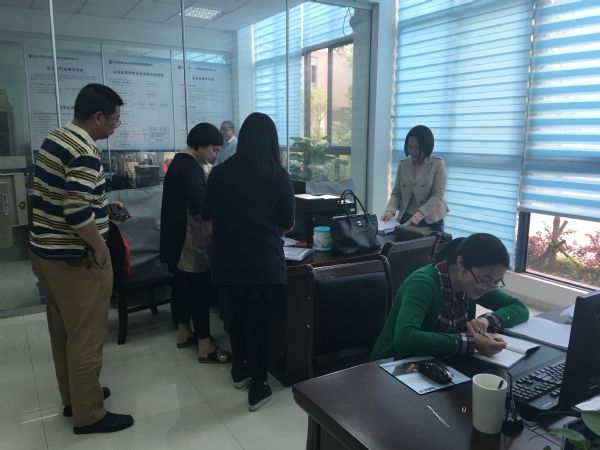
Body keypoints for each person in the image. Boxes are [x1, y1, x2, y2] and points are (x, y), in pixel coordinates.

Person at [29, 83, 134, 434]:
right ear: (98, 117)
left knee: (63, 332)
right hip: (75, 260)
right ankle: (90, 415)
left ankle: (74, 398)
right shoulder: (86, 151)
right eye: (115, 120)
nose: (116, 127)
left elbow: (63, 194)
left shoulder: (56, 138)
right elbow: (75, 211)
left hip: (45, 253)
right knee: (87, 337)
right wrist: (101, 247)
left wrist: (103, 206)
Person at [203, 112, 295, 412]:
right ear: (272, 141)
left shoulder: (220, 172)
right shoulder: (278, 176)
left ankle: (239, 370)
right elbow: (287, 221)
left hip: (228, 259)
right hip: (262, 261)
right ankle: (258, 384)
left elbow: (207, 212)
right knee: (260, 323)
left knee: (236, 317)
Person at [370, 233, 529, 361]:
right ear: (461, 263)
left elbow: (519, 308)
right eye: (485, 280)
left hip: (436, 362)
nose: (488, 288)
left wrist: (486, 320)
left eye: (496, 282)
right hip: (391, 366)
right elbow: (405, 339)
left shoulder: (473, 283)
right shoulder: (422, 283)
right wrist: (471, 342)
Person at [159, 122, 232, 363]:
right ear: (201, 145)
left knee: (180, 287)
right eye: (213, 150)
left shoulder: (178, 162)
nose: (214, 155)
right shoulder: (190, 168)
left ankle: (184, 333)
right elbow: (201, 206)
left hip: (175, 239)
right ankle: (205, 347)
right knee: (199, 291)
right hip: (189, 241)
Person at [381, 125, 449, 232]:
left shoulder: (437, 164)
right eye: (410, 147)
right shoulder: (403, 164)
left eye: (417, 148)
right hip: (406, 217)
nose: (412, 151)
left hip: (430, 220)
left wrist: (419, 215)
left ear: (426, 147)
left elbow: (437, 196)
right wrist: (390, 210)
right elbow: (397, 193)